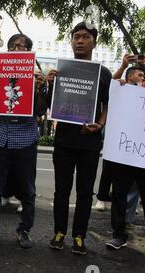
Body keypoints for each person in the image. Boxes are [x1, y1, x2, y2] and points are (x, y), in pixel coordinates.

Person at [0, 34, 48, 248]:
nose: (18, 48)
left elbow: (40, 111)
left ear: (29, 51)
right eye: (13, 46)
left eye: (23, 46)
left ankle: (24, 230)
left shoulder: (37, 78)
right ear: (7, 51)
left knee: (27, 189)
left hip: (26, 138)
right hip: (1, 138)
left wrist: (39, 89)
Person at [48, 22, 112, 255]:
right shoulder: (60, 71)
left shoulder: (103, 73)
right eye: (76, 37)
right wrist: (50, 83)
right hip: (64, 141)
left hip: (90, 143)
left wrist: (100, 124)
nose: (80, 41)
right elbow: (48, 105)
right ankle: (59, 232)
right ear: (71, 41)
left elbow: (109, 104)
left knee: (85, 192)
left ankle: (79, 236)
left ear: (94, 41)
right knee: (61, 190)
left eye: (85, 37)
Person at [105, 57, 145, 261]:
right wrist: (120, 83)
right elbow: (109, 90)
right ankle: (119, 235)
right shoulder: (129, 91)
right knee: (120, 195)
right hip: (125, 155)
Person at [93, 65, 145, 211]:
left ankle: (125, 203)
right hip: (115, 134)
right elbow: (109, 84)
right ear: (130, 77)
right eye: (139, 75)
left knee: (127, 174)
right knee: (108, 168)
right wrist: (119, 77)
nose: (142, 78)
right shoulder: (120, 87)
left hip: (133, 139)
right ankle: (102, 198)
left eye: (144, 76)